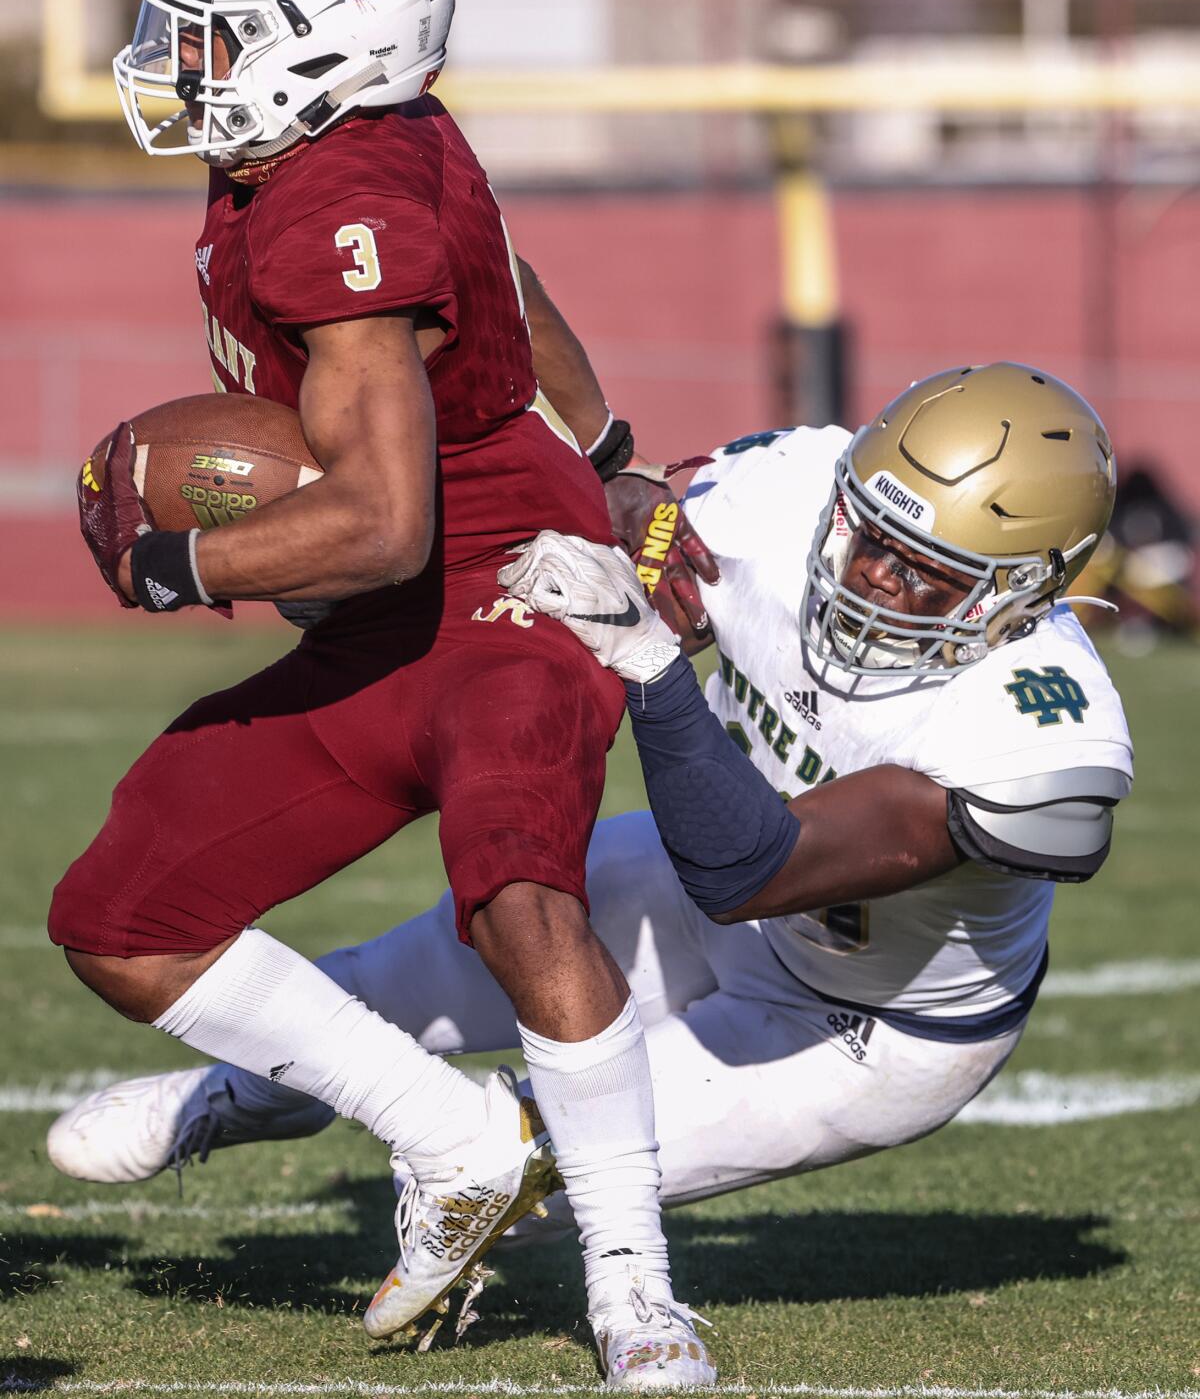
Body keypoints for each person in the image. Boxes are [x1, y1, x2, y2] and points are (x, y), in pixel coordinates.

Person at [52, 0, 716, 1390]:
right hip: (396, 606)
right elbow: (516, 274)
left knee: (519, 896)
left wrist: (177, 569)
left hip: (506, 583)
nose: (180, 57)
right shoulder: (365, 135)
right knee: (122, 918)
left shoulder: (334, 209)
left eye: (214, 27)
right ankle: (458, 1138)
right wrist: (612, 449)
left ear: (322, 48)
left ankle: (635, 1285)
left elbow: (381, 521)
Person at [53, 366, 1132, 1258]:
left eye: (927, 573)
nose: (874, 577)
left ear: (1021, 594)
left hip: (862, 1020)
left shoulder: (1039, 736)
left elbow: (750, 865)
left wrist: (656, 666)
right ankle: (238, 1091)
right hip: (703, 886)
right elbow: (614, 522)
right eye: (869, 534)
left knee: (527, 1162)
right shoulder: (792, 490)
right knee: (402, 977)